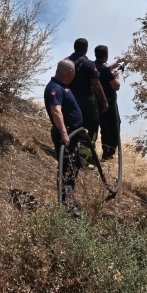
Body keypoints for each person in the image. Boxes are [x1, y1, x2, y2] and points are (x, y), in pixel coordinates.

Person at [44, 59, 83, 207]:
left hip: (74, 134)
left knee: (74, 166)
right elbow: (56, 111)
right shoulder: (55, 88)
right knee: (67, 168)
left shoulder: (62, 87)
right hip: (65, 137)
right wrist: (65, 133)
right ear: (70, 72)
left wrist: (80, 128)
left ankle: (69, 197)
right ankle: (65, 202)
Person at [67, 38, 109, 159]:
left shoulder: (66, 61)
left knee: (72, 123)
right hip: (87, 101)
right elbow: (96, 84)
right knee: (91, 126)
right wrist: (105, 102)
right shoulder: (88, 64)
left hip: (70, 98)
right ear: (86, 49)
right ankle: (85, 157)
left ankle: (69, 149)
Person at [94, 44, 122, 160]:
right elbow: (116, 86)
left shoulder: (92, 66)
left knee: (104, 128)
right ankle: (108, 154)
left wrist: (116, 63)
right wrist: (117, 76)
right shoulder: (108, 70)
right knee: (114, 128)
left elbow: (103, 67)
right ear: (106, 55)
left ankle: (105, 151)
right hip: (109, 103)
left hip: (96, 102)